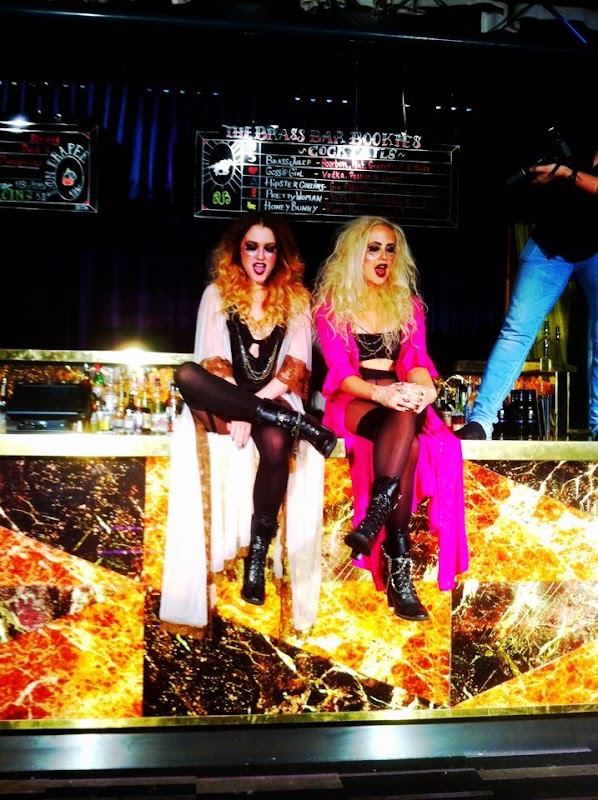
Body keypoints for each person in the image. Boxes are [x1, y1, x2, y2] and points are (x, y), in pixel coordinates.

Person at [159, 211, 337, 635]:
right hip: (225, 399)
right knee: (186, 375)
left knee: (275, 445)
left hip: (272, 399)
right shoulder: (217, 293)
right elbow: (213, 362)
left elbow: (294, 368)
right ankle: (290, 422)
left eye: (269, 248)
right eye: (251, 247)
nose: (260, 256)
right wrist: (237, 409)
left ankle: (257, 554)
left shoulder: (296, 299)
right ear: (237, 251)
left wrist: (254, 407)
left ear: (280, 254)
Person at [313, 215, 469, 622]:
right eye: (373, 248)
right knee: (403, 420)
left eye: (389, 249)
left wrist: (427, 390)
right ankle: (397, 559)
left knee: (411, 438)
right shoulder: (331, 305)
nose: (383, 257)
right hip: (355, 397)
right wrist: (381, 393)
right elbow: (340, 373)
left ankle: (382, 531)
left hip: (399, 396)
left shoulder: (408, 304)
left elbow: (416, 361)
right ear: (355, 254)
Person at [457, 136, 598, 442]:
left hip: (595, 250)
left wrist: (565, 174)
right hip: (551, 244)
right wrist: (545, 180)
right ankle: (481, 421)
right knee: (516, 331)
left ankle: (597, 425)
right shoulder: (576, 137)